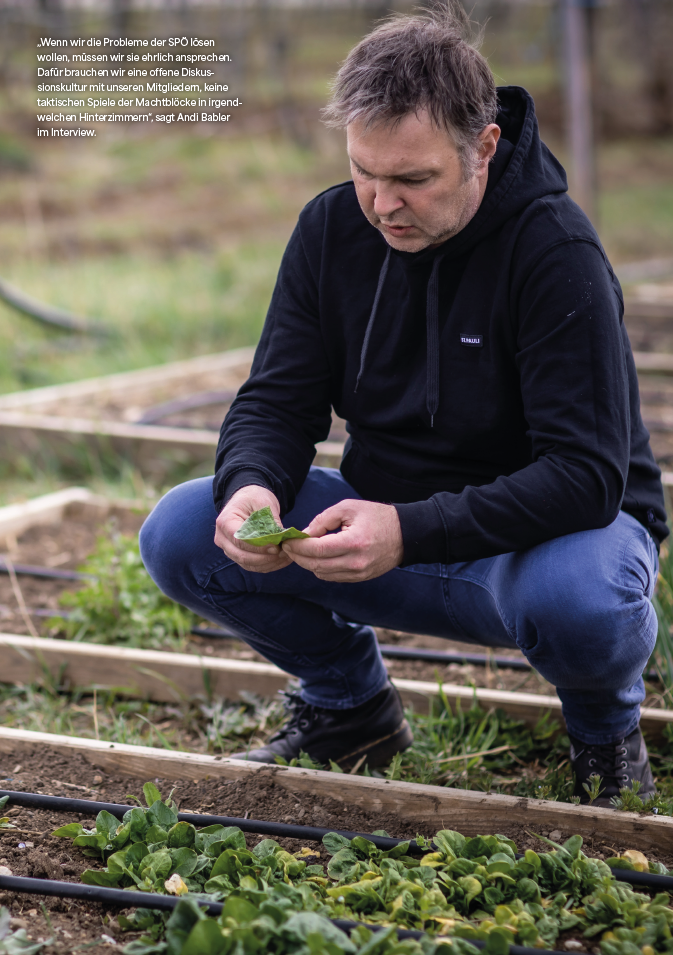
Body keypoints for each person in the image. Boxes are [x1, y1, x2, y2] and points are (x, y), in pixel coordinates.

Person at [139, 3, 668, 807]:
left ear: (482, 147)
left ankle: (602, 730)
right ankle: (351, 707)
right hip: (383, 524)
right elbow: (276, 402)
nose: (382, 203)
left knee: (579, 597)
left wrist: (409, 529)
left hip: (538, 550)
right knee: (183, 533)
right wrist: (250, 483)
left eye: (413, 179)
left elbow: (586, 476)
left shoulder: (553, 252)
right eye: (364, 172)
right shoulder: (329, 230)